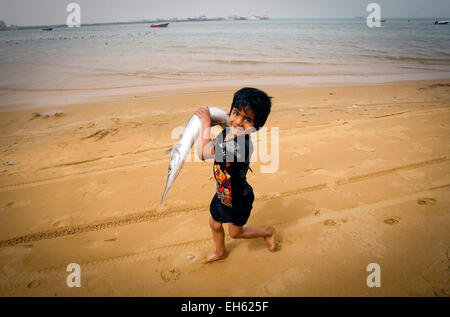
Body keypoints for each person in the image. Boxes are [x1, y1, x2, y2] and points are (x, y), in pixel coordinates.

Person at [195, 87, 276, 263]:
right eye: (235, 113)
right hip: (222, 193)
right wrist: (221, 124)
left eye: (247, 119)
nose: (238, 122)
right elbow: (221, 139)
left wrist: (205, 124)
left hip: (238, 199)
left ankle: (267, 232)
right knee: (214, 223)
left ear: (256, 127)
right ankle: (220, 252)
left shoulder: (242, 146)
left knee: (236, 233)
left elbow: (204, 153)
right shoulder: (228, 132)